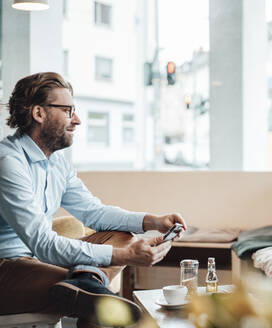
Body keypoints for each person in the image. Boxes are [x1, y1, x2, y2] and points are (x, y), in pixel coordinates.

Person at [0, 72, 187, 327]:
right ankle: (87, 288)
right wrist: (125, 257)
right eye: (67, 110)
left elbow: (94, 213)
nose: (76, 120)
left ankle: (87, 284)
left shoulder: (56, 163)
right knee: (79, 286)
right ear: (38, 114)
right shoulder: (9, 162)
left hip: (35, 260)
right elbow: (44, 243)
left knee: (120, 236)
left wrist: (153, 221)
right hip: (6, 268)